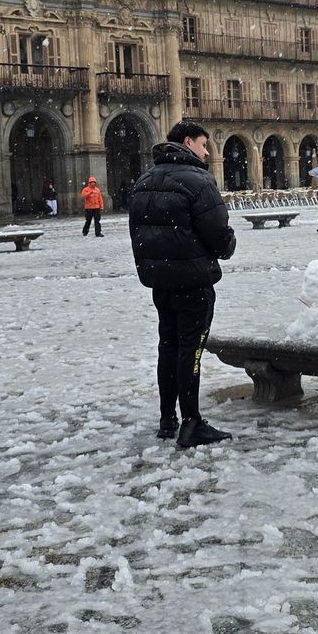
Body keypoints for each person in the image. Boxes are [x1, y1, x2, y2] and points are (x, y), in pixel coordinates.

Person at [128, 121, 238, 448]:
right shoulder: (198, 180)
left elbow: (138, 234)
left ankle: (167, 419)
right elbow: (219, 235)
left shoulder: (145, 179)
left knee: (169, 345)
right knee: (190, 349)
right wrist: (228, 244)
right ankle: (191, 422)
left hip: (161, 282)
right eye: (204, 145)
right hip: (193, 280)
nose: (207, 152)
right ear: (188, 143)